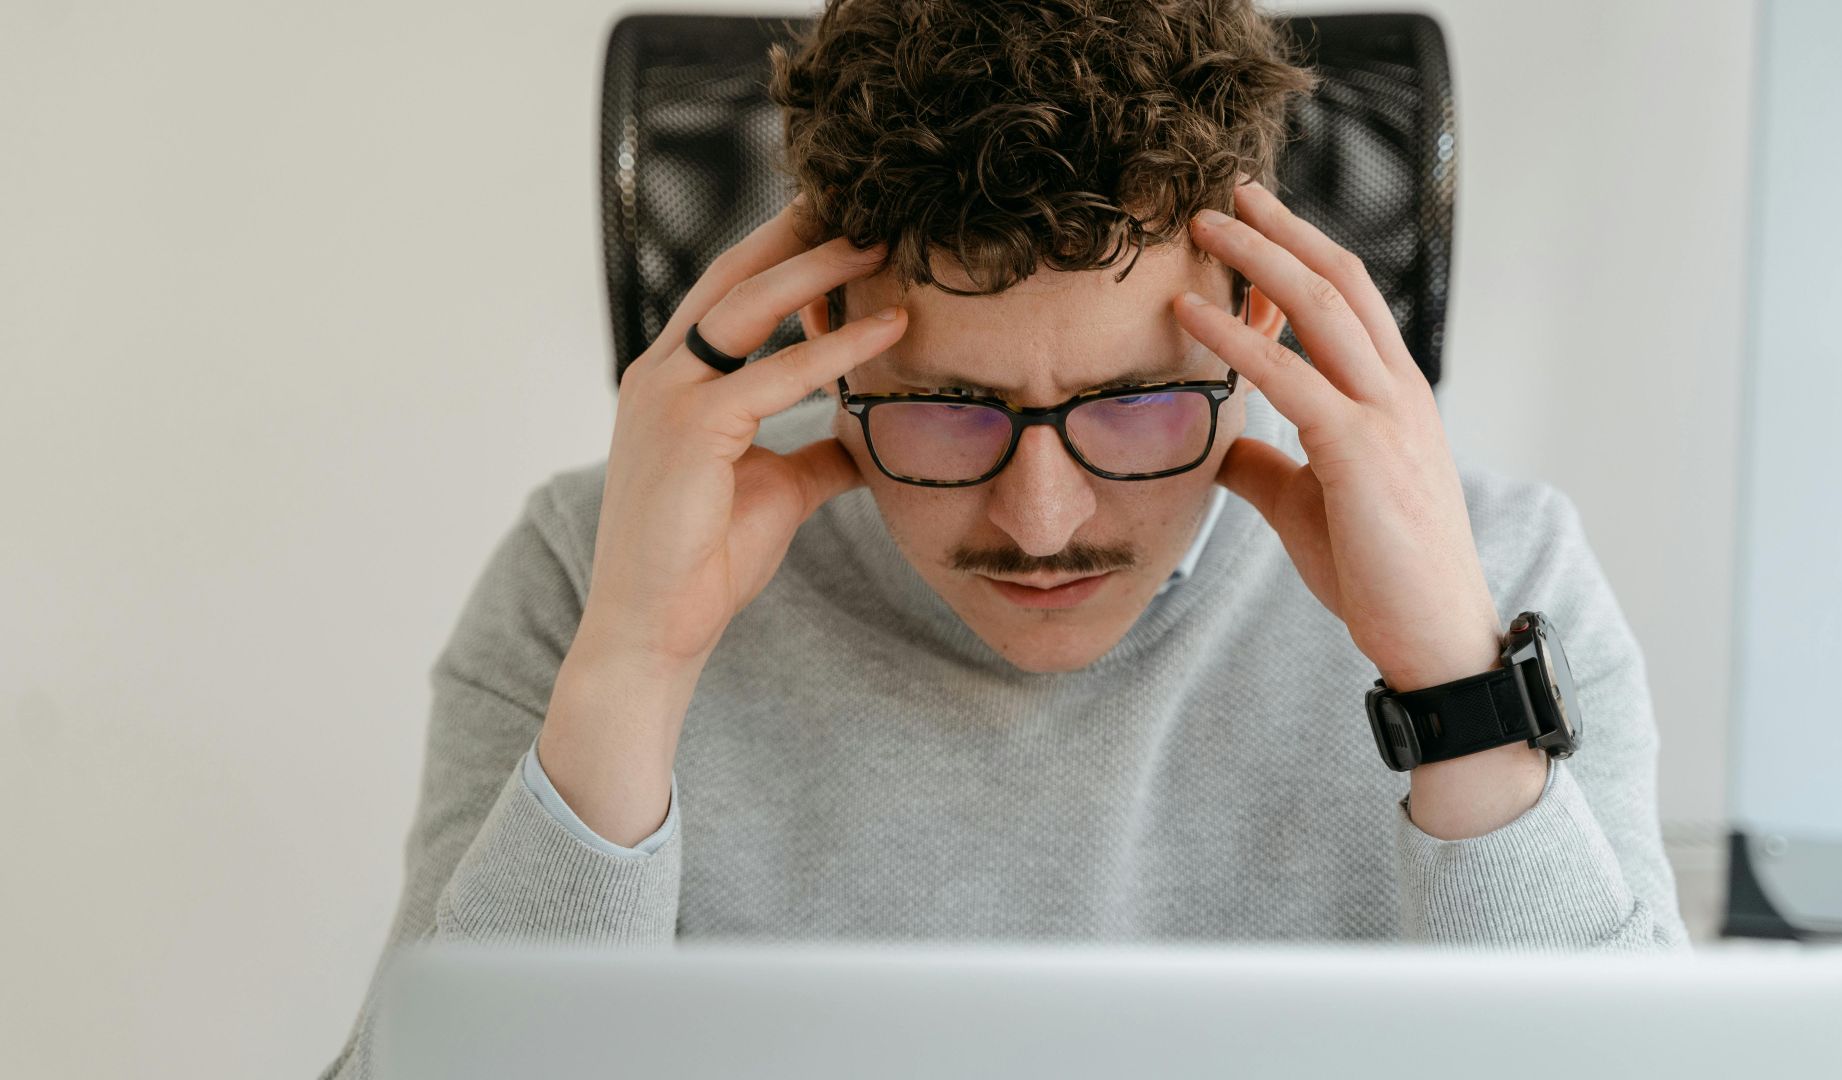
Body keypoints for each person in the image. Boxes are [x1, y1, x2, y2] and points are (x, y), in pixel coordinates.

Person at [320, 0, 1686, 1074]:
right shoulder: (591, 570)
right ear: (820, 340)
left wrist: (1453, 688)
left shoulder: (1504, 574)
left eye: (1140, 406)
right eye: (946, 411)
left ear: (1261, 324)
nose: (1044, 524)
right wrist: (634, 666)